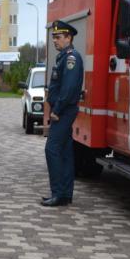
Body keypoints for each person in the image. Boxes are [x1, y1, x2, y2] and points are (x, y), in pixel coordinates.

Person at [42, 20, 83, 207]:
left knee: (51, 149)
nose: (55, 41)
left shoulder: (71, 58)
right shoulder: (63, 57)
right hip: (63, 110)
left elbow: (69, 88)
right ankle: (65, 194)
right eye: (54, 38)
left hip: (64, 111)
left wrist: (56, 110)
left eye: (58, 37)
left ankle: (58, 193)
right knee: (65, 152)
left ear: (69, 37)